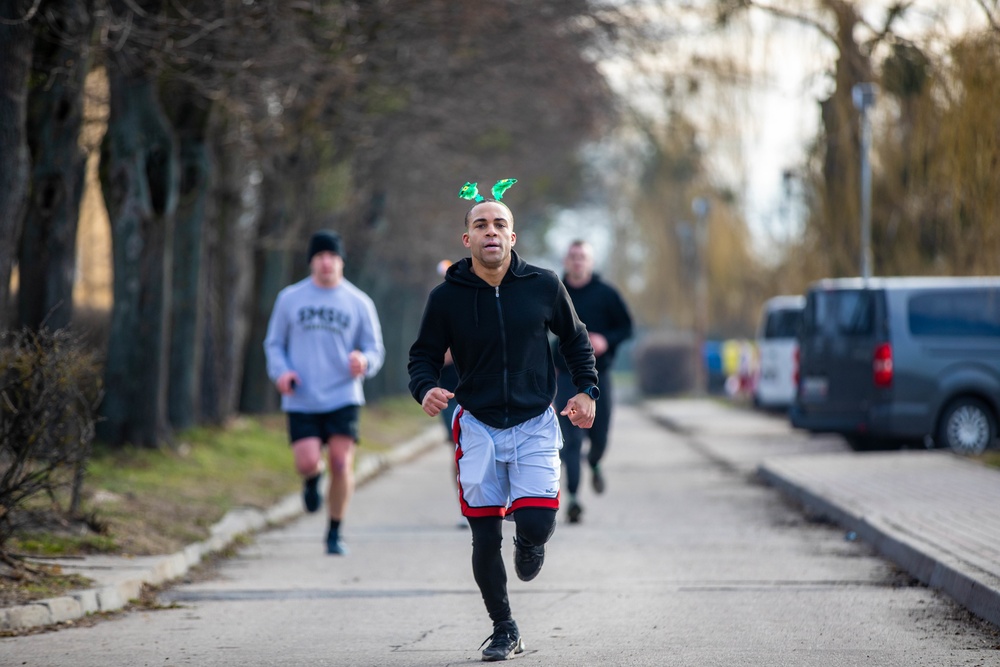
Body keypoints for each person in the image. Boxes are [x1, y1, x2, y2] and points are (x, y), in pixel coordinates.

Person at [408, 184, 599, 661]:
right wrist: (424, 387)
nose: (489, 232)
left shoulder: (543, 284)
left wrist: (585, 390)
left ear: (513, 237)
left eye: (498, 225)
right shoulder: (447, 296)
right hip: (478, 425)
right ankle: (504, 627)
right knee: (484, 532)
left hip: (535, 421)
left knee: (535, 521)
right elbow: (422, 356)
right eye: (480, 225)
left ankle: (531, 544)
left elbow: (575, 342)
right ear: (466, 239)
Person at [264, 230, 385, 556]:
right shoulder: (290, 298)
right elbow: (274, 343)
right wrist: (282, 372)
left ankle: (334, 531)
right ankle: (310, 478)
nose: (326, 262)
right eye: (320, 257)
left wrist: (364, 361)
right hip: (301, 394)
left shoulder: (359, 302)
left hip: (342, 394)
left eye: (332, 256)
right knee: (306, 462)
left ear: (341, 260)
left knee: (342, 463)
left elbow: (375, 349)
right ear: (311, 262)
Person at [555, 240, 633, 524]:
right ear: (566, 261)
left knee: (598, 437)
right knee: (571, 440)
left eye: (582, 257)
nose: (577, 261)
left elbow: (627, 327)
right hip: (565, 377)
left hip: (600, 377)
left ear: (590, 262)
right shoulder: (554, 291)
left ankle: (596, 462)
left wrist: (605, 340)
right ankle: (574, 497)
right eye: (573, 256)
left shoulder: (606, 294)